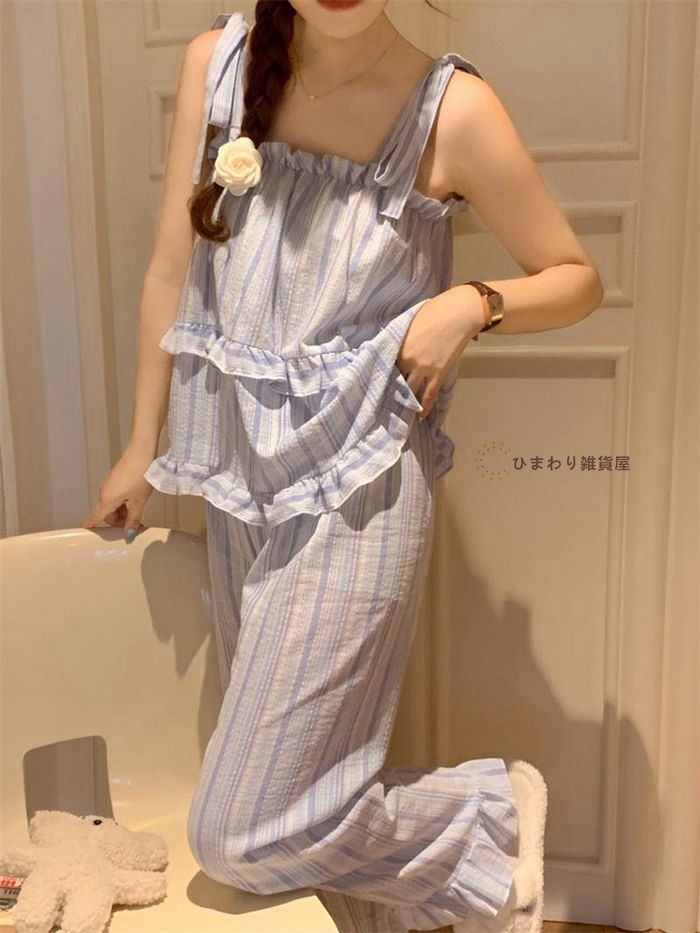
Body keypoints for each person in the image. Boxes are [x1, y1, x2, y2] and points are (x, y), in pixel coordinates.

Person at [83, 1, 603, 930]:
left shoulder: (451, 108)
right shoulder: (218, 63)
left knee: (240, 831)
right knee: (303, 806)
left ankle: (487, 815)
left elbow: (575, 277)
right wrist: (139, 443)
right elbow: (170, 268)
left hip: (363, 486)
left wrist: (470, 304)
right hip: (241, 481)